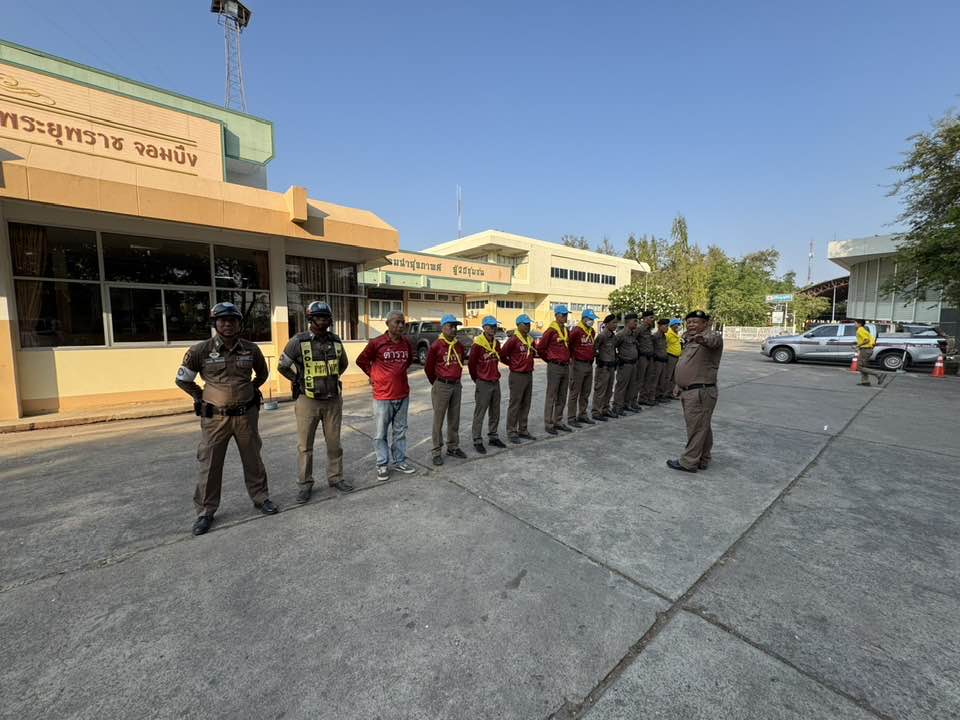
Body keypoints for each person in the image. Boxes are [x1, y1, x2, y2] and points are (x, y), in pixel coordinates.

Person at [175, 302, 277, 536]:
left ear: (239, 323)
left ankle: (261, 498)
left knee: (253, 460)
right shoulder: (200, 350)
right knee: (210, 464)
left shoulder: (251, 349)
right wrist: (200, 396)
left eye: (232, 320)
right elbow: (183, 379)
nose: (228, 324)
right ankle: (205, 511)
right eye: (222, 320)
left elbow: (262, 373)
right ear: (215, 323)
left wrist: (250, 389)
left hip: (245, 417)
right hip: (215, 419)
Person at [278, 301, 351, 503]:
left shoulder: (335, 340)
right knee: (305, 446)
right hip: (307, 401)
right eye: (319, 317)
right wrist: (298, 380)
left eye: (326, 317)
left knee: (334, 444)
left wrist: (330, 379)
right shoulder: (298, 341)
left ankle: (336, 478)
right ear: (310, 319)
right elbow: (282, 366)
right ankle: (305, 485)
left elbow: (343, 364)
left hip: (333, 401)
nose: (323, 321)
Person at [357, 310, 417, 481]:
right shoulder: (376, 343)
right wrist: (373, 375)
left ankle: (399, 461)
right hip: (383, 396)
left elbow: (407, 362)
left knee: (400, 431)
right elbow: (361, 360)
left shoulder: (406, 343)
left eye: (403, 322)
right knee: (380, 433)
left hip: (403, 394)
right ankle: (382, 464)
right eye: (397, 322)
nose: (400, 325)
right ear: (388, 324)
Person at [666, 310, 724, 473]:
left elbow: (712, 341)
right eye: (689, 322)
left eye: (695, 322)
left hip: (700, 391)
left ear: (705, 323)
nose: (691, 324)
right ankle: (703, 458)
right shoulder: (690, 339)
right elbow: (687, 362)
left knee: (696, 428)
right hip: (690, 390)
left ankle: (689, 462)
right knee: (702, 426)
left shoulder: (711, 337)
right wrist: (679, 384)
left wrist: (701, 339)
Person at [424, 314, 468, 466]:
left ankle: (453, 446)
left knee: (454, 418)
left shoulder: (458, 345)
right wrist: (437, 384)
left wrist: (456, 379)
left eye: (455, 326)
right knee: (439, 420)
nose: (454, 329)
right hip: (442, 385)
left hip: (456, 385)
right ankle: (436, 451)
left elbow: (460, 362)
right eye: (450, 326)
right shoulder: (436, 346)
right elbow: (428, 368)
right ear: (443, 327)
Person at [468, 315, 506, 453]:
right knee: (480, 412)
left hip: (495, 381)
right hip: (483, 382)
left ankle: (493, 436)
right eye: (490, 326)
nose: (493, 329)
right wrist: (477, 379)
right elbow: (471, 365)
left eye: (495, 326)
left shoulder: (496, 344)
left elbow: (500, 357)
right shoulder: (478, 345)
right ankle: (477, 439)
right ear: (484, 327)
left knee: (495, 411)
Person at [500, 313, 538, 443]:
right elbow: (502, 355)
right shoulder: (513, 340)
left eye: (529, 324)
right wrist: (512, 365)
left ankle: (523, 429)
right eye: (525, 324)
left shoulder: (529, 339)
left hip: (528, 374)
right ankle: (512, 431)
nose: (528, 326)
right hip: (517, 375)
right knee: (515, 404)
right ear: (518, 325)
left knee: (526, 403)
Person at [537, 305, 573, 434]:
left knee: (562, 395)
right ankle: (548, 423)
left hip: (565, 366)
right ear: (557, 315)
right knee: (551, 395)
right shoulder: (551, 331)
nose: (565, 317)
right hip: (555, 366)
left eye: (566, 315)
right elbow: (540, 348)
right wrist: (549, 359)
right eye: (563, 315)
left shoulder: (566, 330)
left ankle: (558, 421)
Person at [567, 309, 598, 426]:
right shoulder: (576, 331)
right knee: (575, 392)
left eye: (593, 319)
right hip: (578, 364)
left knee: (586, 391)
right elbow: (568, 345)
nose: (592, 321)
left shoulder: (592, 331)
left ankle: (582, 414)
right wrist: (571, 359)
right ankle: (571, 417)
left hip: (589, 364)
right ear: (584, 319)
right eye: (590, 319)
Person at [591, 313, 618, 421]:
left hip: (611, 367)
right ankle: (596, 411)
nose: (615, 325)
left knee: (609, 390)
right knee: (600, 390)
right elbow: (594, 350)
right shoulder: (602, 336)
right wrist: (600, 361)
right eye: (613, 323)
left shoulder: (613, 336)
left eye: (616, 323)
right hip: (603, 368)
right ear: (606, 324)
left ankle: (605, 409)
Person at [613, 313, 640, 415]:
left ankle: (626, 404)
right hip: (625, 364)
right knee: (622, 386)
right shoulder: (621, 334)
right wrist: (618, 359)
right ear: (628, 322)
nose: (636, 323)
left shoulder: (633, 334)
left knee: (631, 386)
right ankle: (617, 407)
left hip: (633, 364)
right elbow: (612, 347)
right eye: (634, 321)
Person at [854, 319, 887, 387]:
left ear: (859, 324)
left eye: (855, 323)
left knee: (859, 367)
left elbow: (866, 340)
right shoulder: (864, 330)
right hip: (868, 349)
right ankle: (865, 381)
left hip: (865, 350)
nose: (854, 324)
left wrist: (858, 345)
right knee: (863, 366)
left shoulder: (860, 330)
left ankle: (879, 374)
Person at [658, 318, 683, 402]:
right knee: (667, 376)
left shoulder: (676, 334)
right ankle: (664, 394)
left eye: (679, 324)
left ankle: (670, 393)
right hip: (670, 357)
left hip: (676, 357)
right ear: (672, 325)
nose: (679, 326)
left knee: (674, 377)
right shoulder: (669, 334)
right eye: (677, 324)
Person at [636, 310, 658, 406]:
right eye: (651, 317)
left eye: (653, 317)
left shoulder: (649, 330)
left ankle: (643, 398)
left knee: (648, 378)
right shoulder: (639, 329)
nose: (653, 319)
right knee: (639, 379)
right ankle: (633, 400)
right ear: (644, 319)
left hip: (650, 357)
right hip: (642, 357)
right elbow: (633, 340)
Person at [650, 318, 671, 403]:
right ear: (659, 326)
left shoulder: (664, 336)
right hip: (657, 361)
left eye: (667, 326)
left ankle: (659, 395)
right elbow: (652, 349)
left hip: (663, 361)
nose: (667, 328)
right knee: (655, 380)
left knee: (662, 380)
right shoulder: (655, 336)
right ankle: (652, 397)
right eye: (665, 326)